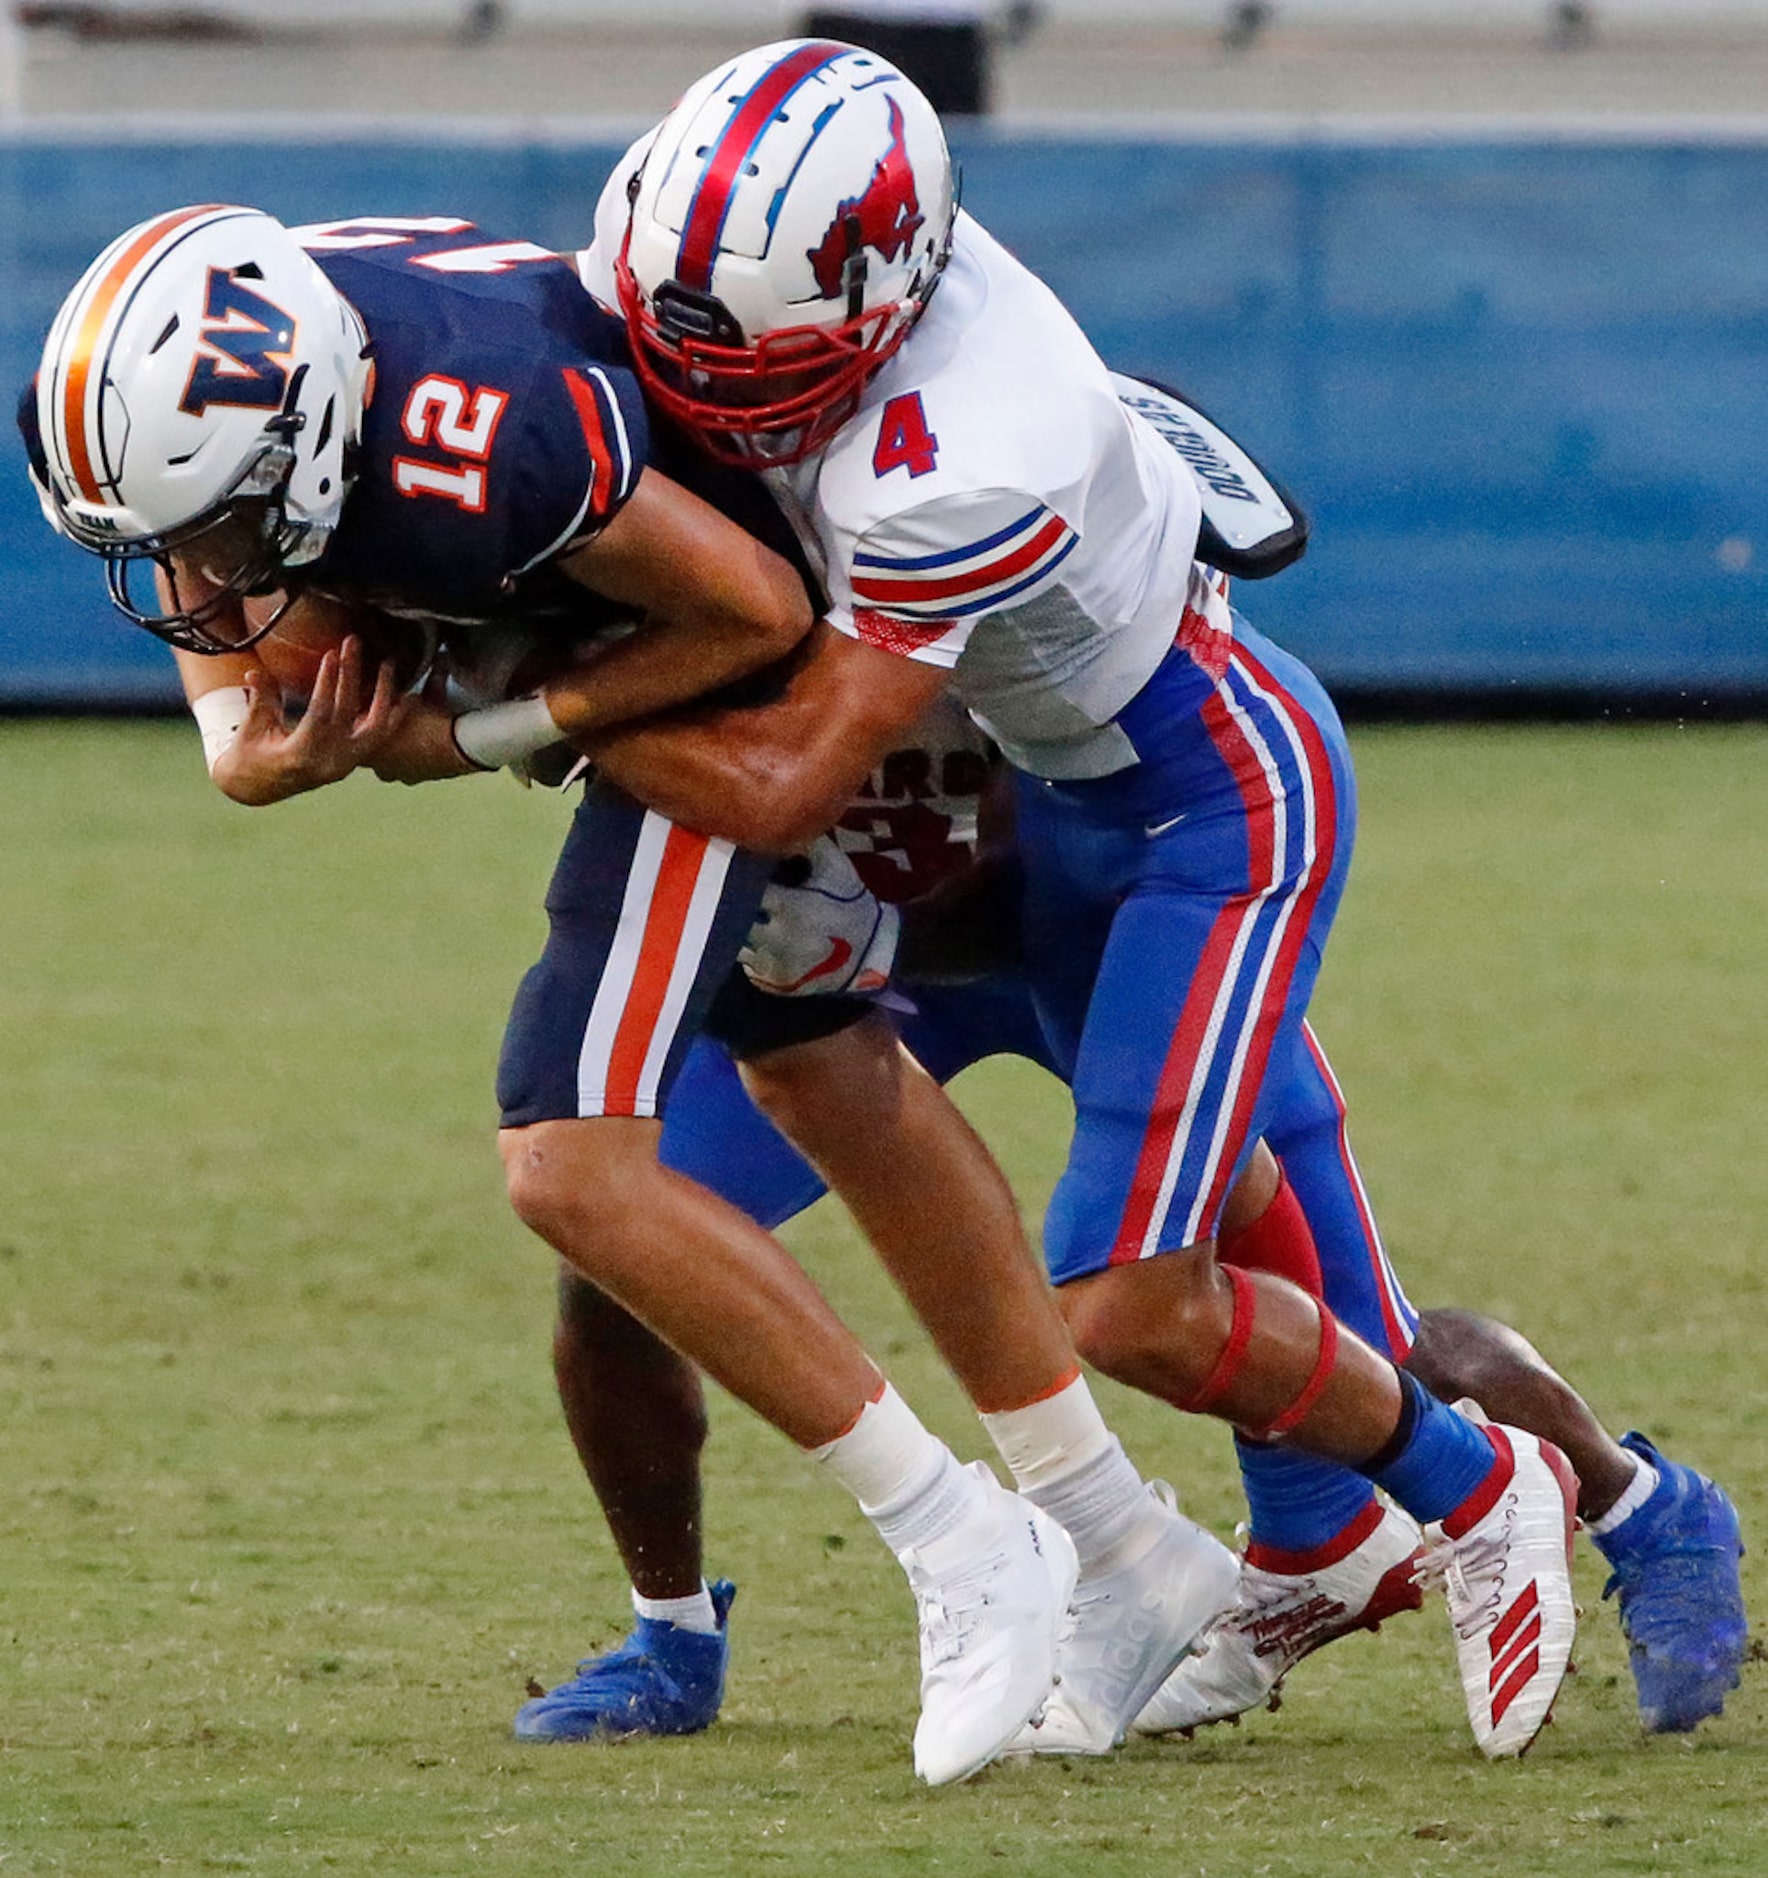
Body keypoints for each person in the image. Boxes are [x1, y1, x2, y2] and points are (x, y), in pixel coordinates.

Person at [24, 202, 1250, 1786]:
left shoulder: (486, 448)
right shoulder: (256, 362)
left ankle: (960, 1540)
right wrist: (230, 736)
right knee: (819, 1061)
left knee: (570, 1158)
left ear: (323, 434)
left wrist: (499, 721)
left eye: (226, 528)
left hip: (707, 650)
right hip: (580, 604)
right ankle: (1116, 1535)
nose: (205, 580)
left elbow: (760, 612)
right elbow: (227, 571)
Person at [523, 37, 1589, 1761]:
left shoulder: (961, 449)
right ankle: (1270, 1548)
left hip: (1187, 800)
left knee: (1129, 1288)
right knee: (753, 1183)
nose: (701, 411)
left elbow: (793, 772)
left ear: (878, 300)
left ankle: (1489, 1490)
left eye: (750, 379)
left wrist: (499, 715)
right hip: (1026, 795)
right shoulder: (708, 274)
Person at [523, 683, 1745, 1746]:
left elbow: (1040, 807)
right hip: (846, 981)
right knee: (628, 1248)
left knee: (1368, 1343)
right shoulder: (688, 546)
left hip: (1110, 948)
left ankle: (1646, 1509)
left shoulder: (957, 535)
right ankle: (670, 1634)